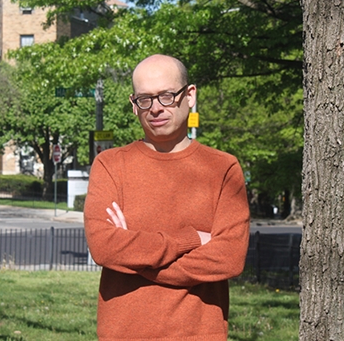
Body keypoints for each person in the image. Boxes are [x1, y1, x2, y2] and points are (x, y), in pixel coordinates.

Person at [84, 54, 250, 341]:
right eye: (144, 99)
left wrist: (136, 257)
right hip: (123, 334)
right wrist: (190, 240)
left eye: (166, 96)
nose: (155, 108)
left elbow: (229, 258)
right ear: (133, 105)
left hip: (199, 334)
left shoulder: (222, 168)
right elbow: (104, 248)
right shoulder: (109, 165)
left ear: (190, 95)